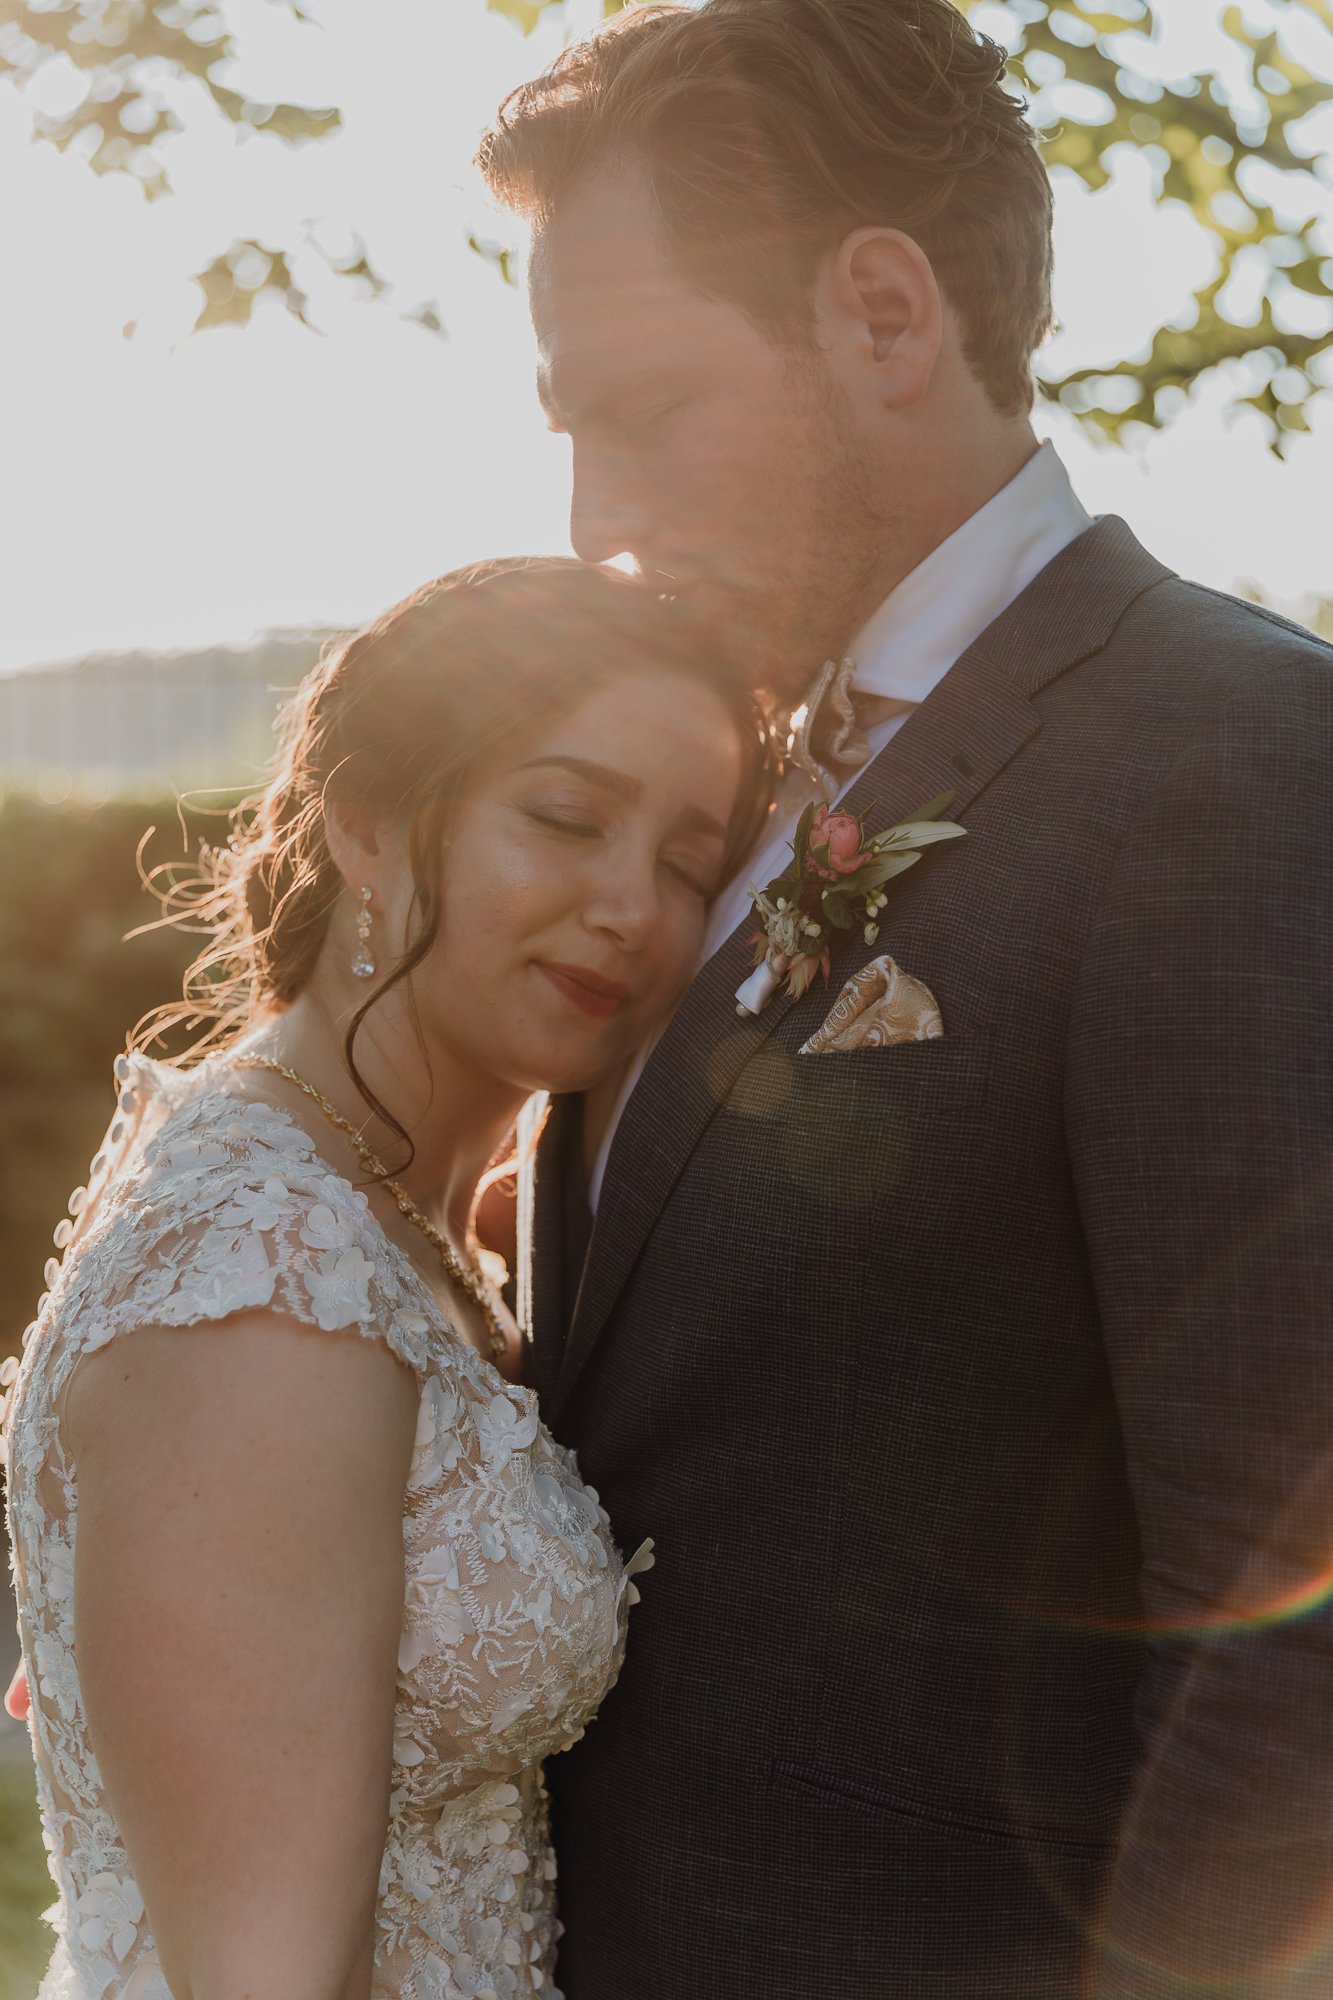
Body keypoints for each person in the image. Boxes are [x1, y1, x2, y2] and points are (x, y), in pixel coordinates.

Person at [478, 3, 1333, 1995]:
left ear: (880, 314)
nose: (591, 514)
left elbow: (1283, 1630)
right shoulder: (708, 794)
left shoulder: (1227, 753)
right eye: (565, 427)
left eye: (647, 406)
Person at [0, 557, 771, 2000]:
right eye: (564, 816)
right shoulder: (264, 1281)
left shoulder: (403, 1225)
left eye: (687, 863)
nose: (629, 907)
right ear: (365, 822)